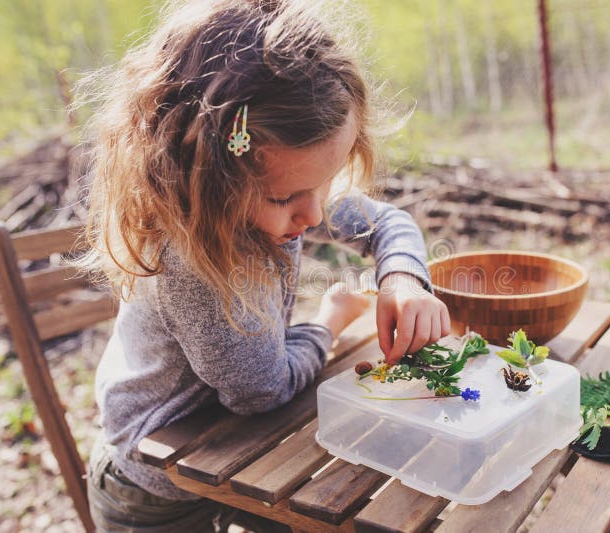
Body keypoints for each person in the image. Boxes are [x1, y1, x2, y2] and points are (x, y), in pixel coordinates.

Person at [78, 0, 450, 530]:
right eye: (287, 199)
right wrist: (328, 323)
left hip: (236, 449)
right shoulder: (191, 264)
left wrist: (404, 279)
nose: (317, 213)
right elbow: (262, 391)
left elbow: (387, 223)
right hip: (160, 488)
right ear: (209, 184)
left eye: (326, 182)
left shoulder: (280, 187)